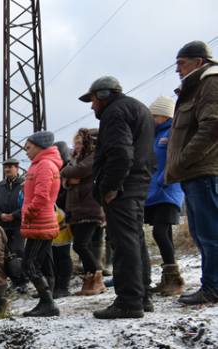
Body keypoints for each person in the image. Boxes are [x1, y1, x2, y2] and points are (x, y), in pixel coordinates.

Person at [79, 76, 156, 319]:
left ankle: (128, 301)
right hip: (138, 182)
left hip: (123, 187)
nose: (92, 107)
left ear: (103, 95)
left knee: (124, 243)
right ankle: (142, 297)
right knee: (135, 240)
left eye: (92, 100)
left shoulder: (114, 113)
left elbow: (121, 153)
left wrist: (110, 187)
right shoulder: (139, 108)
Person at [164, 41, 218, 305]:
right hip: (193, 173)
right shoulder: (193, 87)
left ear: (198, 62)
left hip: (202, 171)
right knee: (201, 233)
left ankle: (213, 287)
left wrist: (184, 160)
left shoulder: (210, 82)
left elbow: (212, 127)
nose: (177, 69)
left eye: (181, 63)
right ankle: (211, 285)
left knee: (210, 233)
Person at [146, 96, 185, 296]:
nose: (151, 119)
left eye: (155, 115)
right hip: (154, 192)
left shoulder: (173, 133)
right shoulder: (153, 135)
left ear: (165, 115)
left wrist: (163, 179)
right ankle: (167, 278)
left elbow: (173, 158)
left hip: (169, 189)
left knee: (160, 232)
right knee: (164, 232)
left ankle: (175, 279)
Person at [21, 130, 62, 317]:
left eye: (28, 148)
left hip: (40, 223)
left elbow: (42, 196)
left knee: (29, 264)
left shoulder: (44, 164)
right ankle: (45, 301)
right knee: (43, 264)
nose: (26, 152)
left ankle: (48, 303)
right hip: (41, 221)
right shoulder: (42, 164)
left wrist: (28, 215)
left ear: (39, 146)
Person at [61, 128, 107, 296]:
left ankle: (96, 279)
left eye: (80, 143)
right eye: (75, 144)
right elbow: (68, 177)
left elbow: (77, 172)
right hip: (79, 209)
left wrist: (65, 173)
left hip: (90, 207)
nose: (77, 147)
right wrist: (67, 179)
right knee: (82, 245)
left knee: (80, 245)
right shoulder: (79, 159)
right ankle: (90, 281)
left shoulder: (93, 156)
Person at [0, 158, 29, 293]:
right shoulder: (0, 186)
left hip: (18, 223)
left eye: (10, 167)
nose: (7, 169)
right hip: (3, 225)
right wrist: (0, 215)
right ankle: (14, 279)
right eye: (6, 167)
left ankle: (24, 280)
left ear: (17, 168)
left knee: (19, 250)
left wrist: (14, 215)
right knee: (6, 253)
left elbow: (27, 203)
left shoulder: (24, 184)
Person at [51, 141, 74, 298]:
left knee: (63, 253)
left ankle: (64, 286)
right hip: (53, 214)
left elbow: (67, 192)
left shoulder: (69, 170)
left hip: (64, 214)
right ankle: (55, 286)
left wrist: (54, 200)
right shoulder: (54, 170)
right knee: (53, 252)